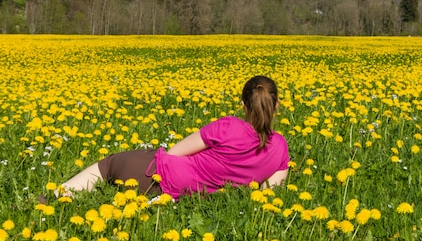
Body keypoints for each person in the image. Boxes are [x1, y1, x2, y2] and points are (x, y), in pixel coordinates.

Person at [46, 75, 290, 201]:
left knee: (108, 165)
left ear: (243, 104)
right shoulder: (280, 148)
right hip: (191, 196)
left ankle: (48, 198)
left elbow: (173, 153)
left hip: (156, 178)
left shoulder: (227, 126)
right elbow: (267, 191)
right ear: (277, 104)